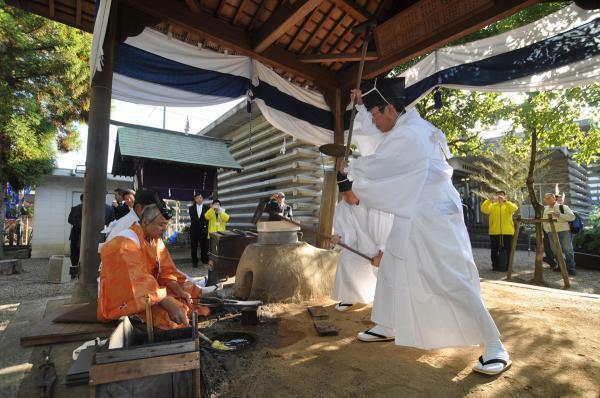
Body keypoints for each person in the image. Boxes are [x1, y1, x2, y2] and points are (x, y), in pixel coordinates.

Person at [340, 77, 510, 376]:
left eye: (376, 114)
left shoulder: (412, 135)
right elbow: (378, 139)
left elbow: (383, 164)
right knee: (393, 265)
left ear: (390, 108)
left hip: (434, 215)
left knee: (450, 276)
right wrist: (362, 107)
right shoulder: (404, 127)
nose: (375, 122)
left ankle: (494, 343)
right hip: (414, 212)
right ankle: (389, 323)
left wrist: (350, 171)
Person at [98, 203, 211, 330]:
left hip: (149, 290)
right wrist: (167, 302)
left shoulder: (155, 239)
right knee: (166, 315)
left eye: (166, 225)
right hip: (126, 295)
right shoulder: (125, 243)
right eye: (161, 225)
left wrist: (180, 291)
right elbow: (136, 281)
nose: (164, 229)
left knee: (188, 294)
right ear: (145, 222)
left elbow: (166, 271)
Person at [330, 172, 393, 311]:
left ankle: (387, 306)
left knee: (387, 276)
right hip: (359, 248)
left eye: (347, 194)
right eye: (343, 195)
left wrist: (382, 254)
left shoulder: (374, 204)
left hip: (380, 249)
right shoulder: (342, 206)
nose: (345, 198)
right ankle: (349, 297)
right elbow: (344, 233)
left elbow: (386, 232)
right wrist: (338, 238)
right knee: (345, 260)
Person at [480, 191, 519, 272]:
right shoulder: (492, 206)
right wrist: (489, 200)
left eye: (502, 195)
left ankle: (508, 266)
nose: (500, 197)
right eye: (498, 195)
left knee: (509, 250)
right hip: (494, 232)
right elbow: (483, 209)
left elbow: (514, 208)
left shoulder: (509, 205)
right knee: (494, 250)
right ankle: (495, 266)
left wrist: (505, 202)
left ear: (505, 196)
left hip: (507, 232)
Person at [542, 193, 577, 276]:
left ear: (554, 198)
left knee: (568, 250)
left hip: (564, 231)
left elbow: (572, 217)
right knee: (555, 251)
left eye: (550, 198)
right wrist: (547, 230)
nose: (548, 200)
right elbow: (544, 220)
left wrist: (559, 215)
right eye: (546, 198)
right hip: (551, 233)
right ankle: (561, 266)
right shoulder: (546, 209)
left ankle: (571, 268)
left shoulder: (563, 207)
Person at [189, 193, 209, 267]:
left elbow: (207, 220)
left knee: (204, 247)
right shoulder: (191, 208)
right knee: (193, 247)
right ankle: (194, 262)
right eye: (197, 198)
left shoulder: (207, 208)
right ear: (195, 199)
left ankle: (204, 260)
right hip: (193, 230)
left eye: (200, 198)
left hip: (203, 231)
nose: (199, 199)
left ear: (202, 198)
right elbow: (193, 219)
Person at [68, 194, 83, 268]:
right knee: (74, 254)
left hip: (76, 234)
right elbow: (70, 220)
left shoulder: (74, 208)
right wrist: (81, 226)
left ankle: (74, 271)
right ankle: (75, 271)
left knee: (74, 254)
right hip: (76, 235)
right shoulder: (75, 208)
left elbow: (70, 220)